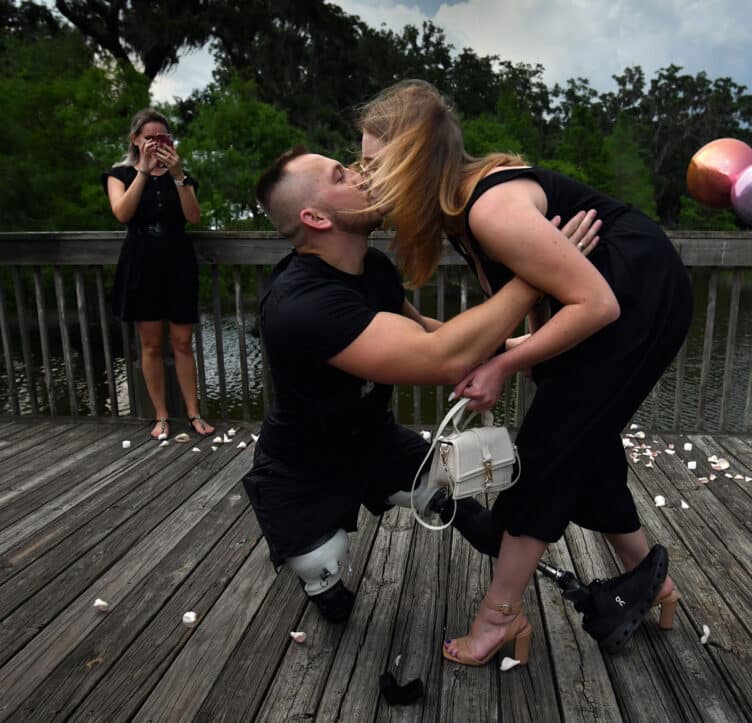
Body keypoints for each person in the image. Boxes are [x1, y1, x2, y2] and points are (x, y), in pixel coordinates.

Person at [246, 146, 668, 633]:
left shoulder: (376, 270)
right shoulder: (300, 306)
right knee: (325, 569)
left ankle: (601, 586)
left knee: (487, 530)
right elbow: (443, 358)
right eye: (342, 174)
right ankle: (320, 579)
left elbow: (426, 333)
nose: (363, 174)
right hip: (302, 467)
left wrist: (521, 347)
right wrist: (546, 267)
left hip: (375, 440)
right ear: (316, 217)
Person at [357, 80, 694, 666]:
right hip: (622, 292)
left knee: (549, 450)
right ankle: (651, 582)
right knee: (581, 444)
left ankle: (499, 618)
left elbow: (598, 304)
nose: (366, 181)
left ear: (411, 160)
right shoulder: (462, 212)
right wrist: (518, 356)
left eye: (372, 165)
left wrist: (506, 364)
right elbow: (542, 302)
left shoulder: (489, 209)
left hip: (635, 292)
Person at [103, 108, 214, 439]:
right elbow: (122, 213)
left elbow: (193, 217)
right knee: (150, 345)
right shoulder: (119, 175)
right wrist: (143, 172)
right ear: (136, 140)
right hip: (141, 264)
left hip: (178, 263)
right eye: (148, 137)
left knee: (182, 342)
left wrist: (177, 173)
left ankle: (194, 414)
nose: (155, 143)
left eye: (162, 137)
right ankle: (162, 417)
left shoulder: (181, 175)